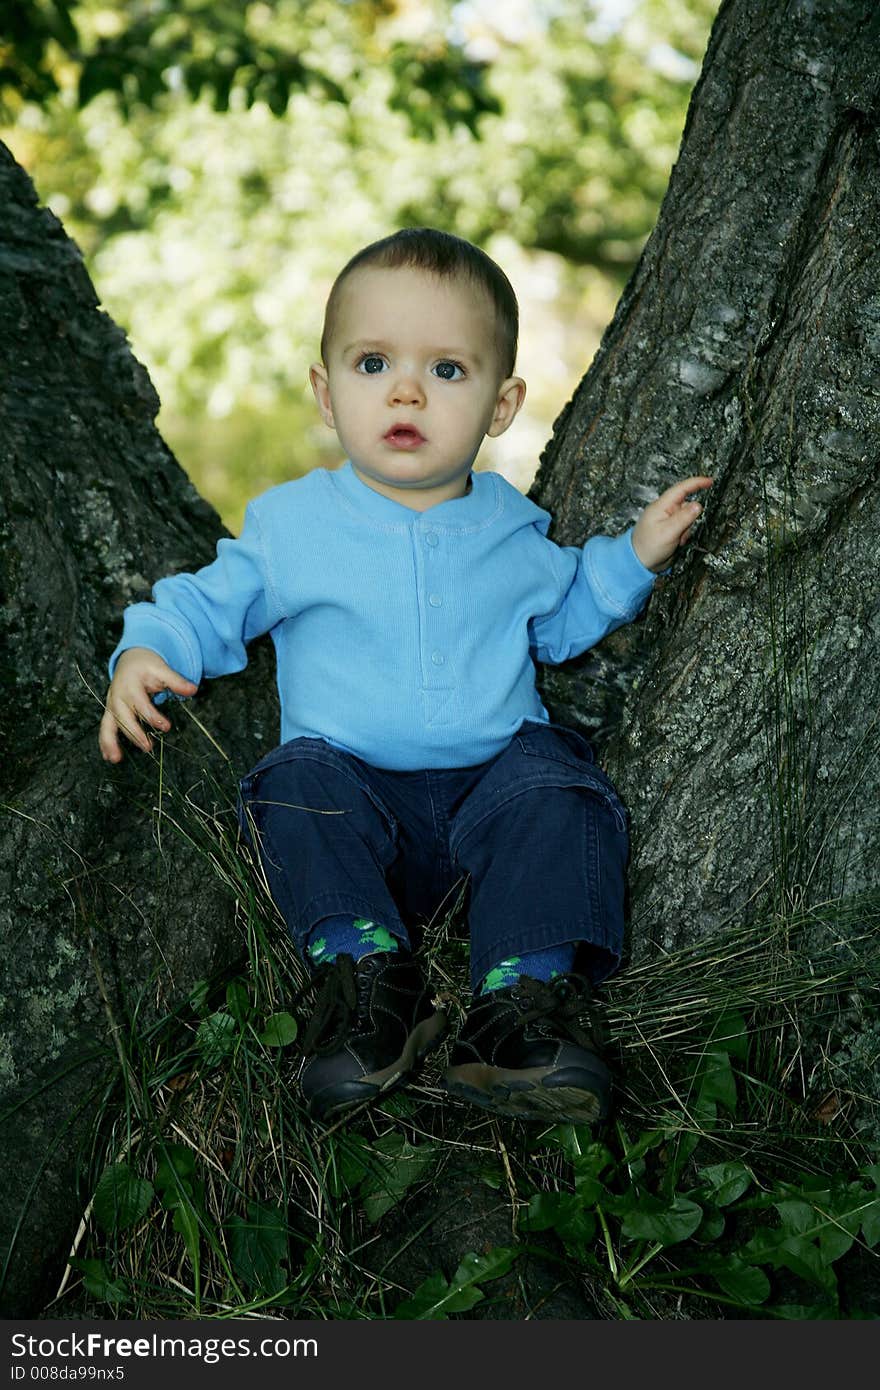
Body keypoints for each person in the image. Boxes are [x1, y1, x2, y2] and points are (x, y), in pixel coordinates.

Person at [99, 228, 711, 1127]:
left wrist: (634, 559)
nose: (407, 390)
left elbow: (564, 617)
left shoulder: (511, 528)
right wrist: (148, 652)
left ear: (501, 407)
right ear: (325, 389)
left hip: (490, 801)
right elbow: (208, 601)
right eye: (374, 361)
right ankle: (371, 983)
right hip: (358, 799)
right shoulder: (296, 524)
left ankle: (519, 1005)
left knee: (559, 782)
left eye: (448, 371)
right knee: (291, 784)